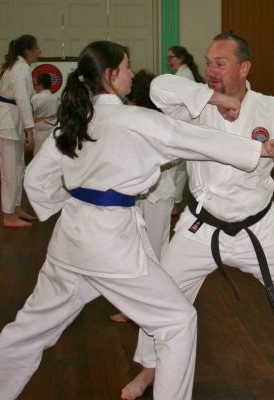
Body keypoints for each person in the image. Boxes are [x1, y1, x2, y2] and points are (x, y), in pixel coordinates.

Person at [0, 40, 274, 400]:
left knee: (31, 326)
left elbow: (36, 180)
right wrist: (260, 149)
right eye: (126, 67)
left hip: (71, 240)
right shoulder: (135, 120)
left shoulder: (73, 122)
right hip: (111, 245)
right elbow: (196, 139)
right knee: (178, 321)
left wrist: (73, 206)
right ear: (111, 75)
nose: (131, 72)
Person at [124, 32, 274, 399]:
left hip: (258, 226)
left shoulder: (270, 108)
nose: (211, 69)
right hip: (200, 226)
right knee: (164, 294)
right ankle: (149, 368)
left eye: (220, 63)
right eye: (209, 61)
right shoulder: (194, 105)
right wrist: (214, 96)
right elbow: (159, 89)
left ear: (244, 68)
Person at [110, 69, 177, 324]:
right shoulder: (144, 118)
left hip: (157, 193)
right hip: (150, 193)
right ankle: (156, 302)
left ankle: (145, 307)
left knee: (150, 250)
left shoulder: (152, 121)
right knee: (154, 248)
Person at [0, 34, 40, 228]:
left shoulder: (17, 66)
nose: (39, 51)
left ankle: (15, 208)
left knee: (18, 168)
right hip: (8, 124)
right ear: (28, 51)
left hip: (9, 120)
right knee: (11, 171)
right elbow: (22, 100)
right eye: (37, 48)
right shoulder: (20, 69)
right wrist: (30, 131)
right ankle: (8, 216)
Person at [166, 46, 205, 217]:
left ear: (180, 58)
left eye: (171, 57)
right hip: (185, 126)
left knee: (178, 167)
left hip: (184, 126)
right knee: (180, 167)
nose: (169, 61)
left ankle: (173, 202)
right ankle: (174, 201)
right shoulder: (184, 74)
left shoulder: (183, 76)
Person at [31, 73, 59, 155]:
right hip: (52, 130)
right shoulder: (54, 98)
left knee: (39, 156)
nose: (34, 87)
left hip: (40, 132)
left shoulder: (37, 98)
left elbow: (29, 114)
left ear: (41, 85)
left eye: (35, 84)